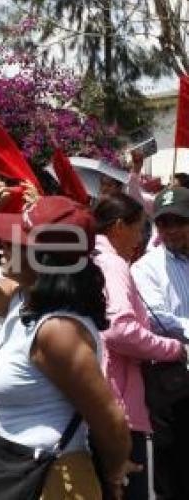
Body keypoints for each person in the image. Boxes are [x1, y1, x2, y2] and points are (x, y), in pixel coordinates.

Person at [0, 179, 134, 499]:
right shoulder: (22, 300)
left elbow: (111, 423)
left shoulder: (59, 331)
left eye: (15, 240)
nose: (2, 244)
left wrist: (113, 472)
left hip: (44, 480)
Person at [93, 193, 185, 499]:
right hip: (137, 396)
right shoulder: (121, 265)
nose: (141, 237)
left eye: (180, 221)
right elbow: (121, 329)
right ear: (120, 227)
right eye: (159, 223)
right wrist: (177, 349)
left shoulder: (103, 259)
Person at [131, 186, 189, 498]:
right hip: (173, 380)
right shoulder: (145, 268)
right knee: (174, 469)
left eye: (178, 222)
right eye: (163, 223)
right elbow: (158, 319)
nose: (170, 230)